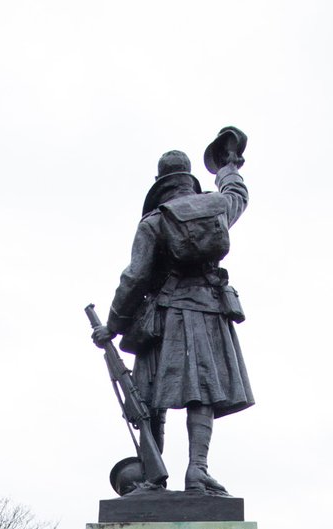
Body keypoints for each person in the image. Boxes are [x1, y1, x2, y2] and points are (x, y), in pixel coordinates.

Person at [91, 128, 253, 496]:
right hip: (208, 312)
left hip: (163, 318)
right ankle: (198, 470)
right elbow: (238, 195)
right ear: (188, 180)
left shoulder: (153, 222)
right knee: (203, 393)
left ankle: (153, 478)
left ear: (159, 183)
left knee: (150, 397)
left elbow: (135, 277)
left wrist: (113, 326)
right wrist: (229, 169)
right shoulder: (217, 207)